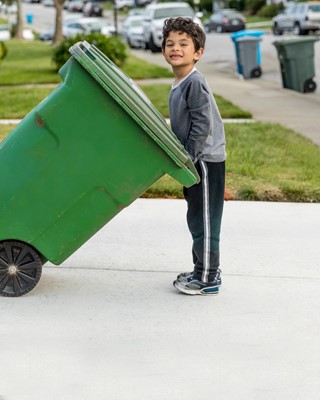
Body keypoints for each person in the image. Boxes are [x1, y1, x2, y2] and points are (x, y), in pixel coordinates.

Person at [162, 17, 226, 296]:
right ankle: (201, 269)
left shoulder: (194, 82)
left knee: (207, 221)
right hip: (193, 160)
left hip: (205, 160)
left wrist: (189, 157)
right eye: (170, 44)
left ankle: (209, 277)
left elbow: (202, 124)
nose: (175, 48)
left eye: (183, 44)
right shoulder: (179, 82)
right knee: (196, 218)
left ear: (197, 53)